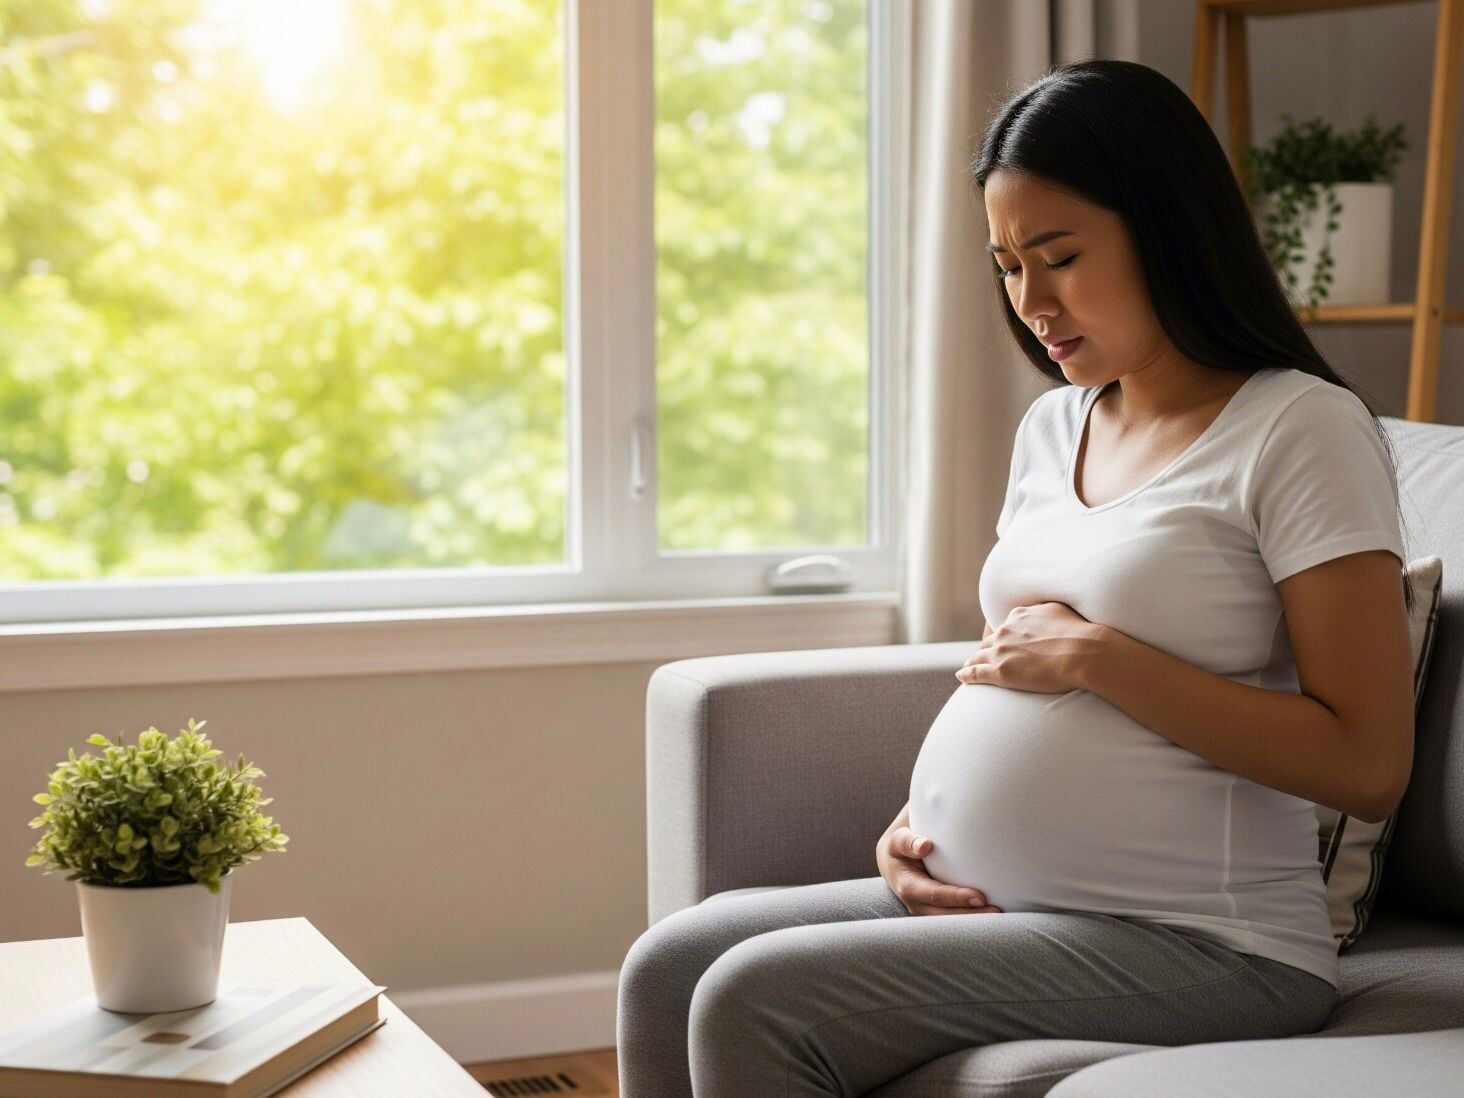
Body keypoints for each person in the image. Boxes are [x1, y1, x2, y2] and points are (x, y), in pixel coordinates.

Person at [615, 58, 1416, 1098]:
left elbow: (1367, 762)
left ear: (1166, 227)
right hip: (1005, 903)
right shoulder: (1055, 426)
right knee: (672, 965)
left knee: (752, 994)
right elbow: (1006, 673)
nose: (1031, 301)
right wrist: (917, 829)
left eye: (1060, 256)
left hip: (1210, 942)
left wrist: (1099, 658)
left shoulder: (1299, 428)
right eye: (1006, 265)